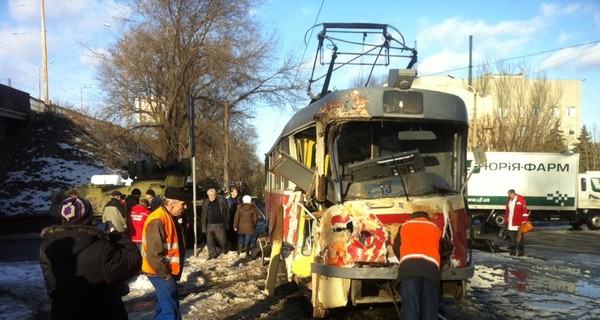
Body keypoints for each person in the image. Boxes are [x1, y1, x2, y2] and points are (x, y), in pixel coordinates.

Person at [39, 191, 142, 320]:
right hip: (102, 313)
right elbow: (133, 261)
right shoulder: (102, 248)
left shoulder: (47, 247)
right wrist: (117, 235)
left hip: (63, 313)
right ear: (88, 217)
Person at [141, 186, 190, 320]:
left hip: (163, 271)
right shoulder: (158, 219)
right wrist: (166, 275)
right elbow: (153, 254)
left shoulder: (167, 216)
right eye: (183, 204)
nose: (185, 207)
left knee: (164, 307)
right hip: (160, 272)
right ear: (172, 203)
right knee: (170, 312)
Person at [393, 211, 442, 320]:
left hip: (409, 270)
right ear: (427, 218)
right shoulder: (435, 227)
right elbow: (442, 250)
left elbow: (396, 247)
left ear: (412, 217)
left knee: (411, 310)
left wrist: (403, 259)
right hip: (431, 271)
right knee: (429, 312)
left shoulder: (405, 226)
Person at [201, 188, 230, 259]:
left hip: (219, 224)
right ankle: (212, 255)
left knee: (222, 240)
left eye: (212, 195)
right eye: (209, 195)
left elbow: (227, 210)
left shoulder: (221, 200)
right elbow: (203, 213)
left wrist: (227, 220)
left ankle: (224, 251)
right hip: (209, 224)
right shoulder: (205, 202)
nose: (211, 196)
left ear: (215, 194)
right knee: (209, 242)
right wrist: (204, 226)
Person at [504, 189, 529, 256]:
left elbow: (524, 211)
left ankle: (521, 250)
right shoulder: (509, 200)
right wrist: (506, 220)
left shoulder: (521, 200)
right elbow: (507, 211)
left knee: (520, 237)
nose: (509, 196)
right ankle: (513, 248)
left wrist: (524, 221)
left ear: (513, 194)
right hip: (510, 221)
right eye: (508, 195)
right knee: (511, 236)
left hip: (518, 221)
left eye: (510, 195)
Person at [226, 186, 242, 250]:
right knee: (231, 234)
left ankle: (235, 246)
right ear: (231, 192)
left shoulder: (239, 200)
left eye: (237, 192)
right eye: (235, 192)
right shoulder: (228, 201)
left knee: (237, 234)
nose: (236, 193)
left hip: (238, 219)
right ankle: (232, 247)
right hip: (230, 219)